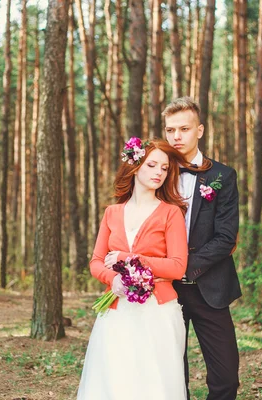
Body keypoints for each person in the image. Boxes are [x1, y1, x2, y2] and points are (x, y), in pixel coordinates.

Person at [77, 138, 197, 400]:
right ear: (135, 166)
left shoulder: (171, 213)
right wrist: (113, 279)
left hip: (159, 312)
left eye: (164, 169)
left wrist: (130, 258)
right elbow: (96, 261)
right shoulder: (112, 212)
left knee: (154, 384)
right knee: (115, 381)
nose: (159, 173)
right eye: (152, 165)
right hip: (117, 311)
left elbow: (178, 267)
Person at [163, 97, 242, 399]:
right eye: (171, 130)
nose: (176, 136)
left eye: (184, 128)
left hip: (210, 286)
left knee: (225, 376)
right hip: (165, 289)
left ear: (200, 130)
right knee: (170, 372)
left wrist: (184, 264)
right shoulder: (157, 172)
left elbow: (226, 236)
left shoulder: (223, 176)